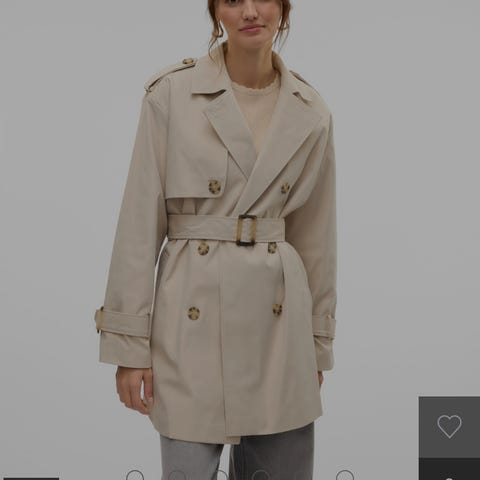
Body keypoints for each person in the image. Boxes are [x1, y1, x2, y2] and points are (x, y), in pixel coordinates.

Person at [94, 0, 338, 478]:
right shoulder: (172, 95)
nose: (250, 11)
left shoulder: (311, 111)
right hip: (190, 323)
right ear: (215, 12)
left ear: (283, 8)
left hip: (279, 333)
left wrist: (317, 344)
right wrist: (128, 346)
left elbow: (317, 239)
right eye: (232, 0)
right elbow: (139, 224)